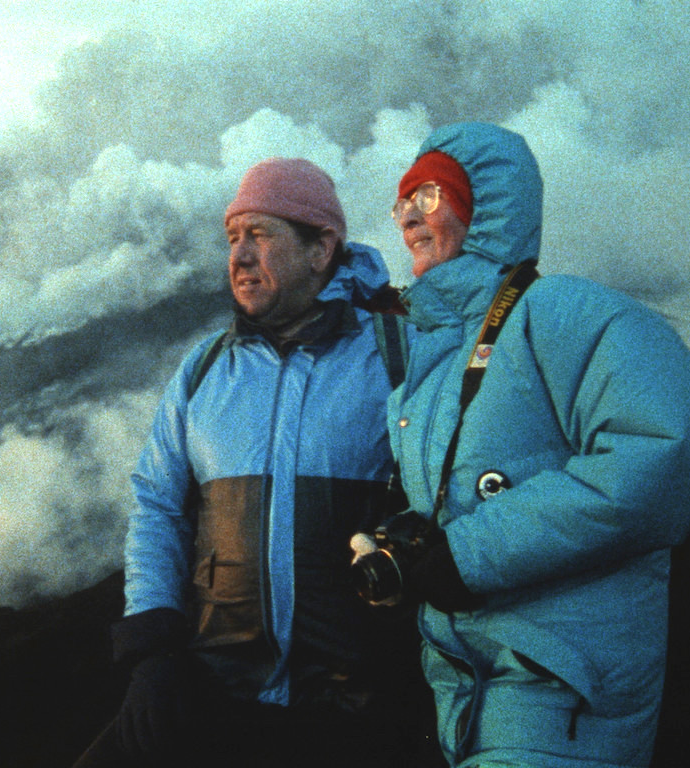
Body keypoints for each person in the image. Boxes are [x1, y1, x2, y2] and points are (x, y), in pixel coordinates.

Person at [352, 122, 690, 768]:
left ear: (488, 208)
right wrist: (418, 549)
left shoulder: (555, 311)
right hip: (473, 701)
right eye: (401, 204)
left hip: (562, 698)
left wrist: (468, 553)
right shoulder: (433, 368)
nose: (409, 219)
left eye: (429, 197)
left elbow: (677, 436)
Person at [72, 158, 427, 768]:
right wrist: (152, 651)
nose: (237, 256)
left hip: (359, 715)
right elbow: (157, 506)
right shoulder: (205, 367)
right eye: (232, 237)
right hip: (215, 694)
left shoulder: (399, 357)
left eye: (259, 234)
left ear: (321, 249)